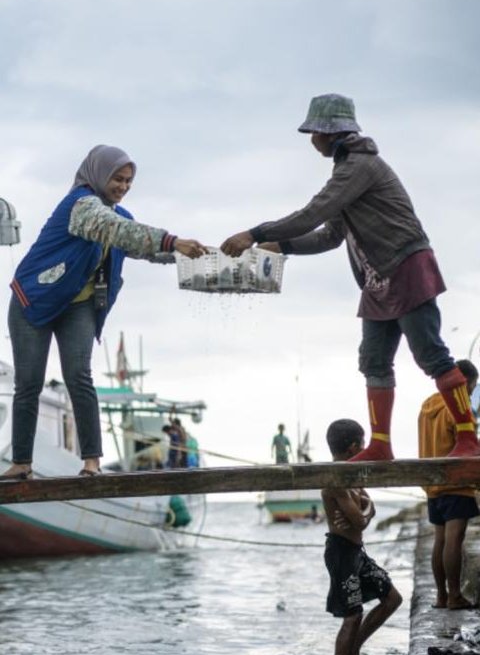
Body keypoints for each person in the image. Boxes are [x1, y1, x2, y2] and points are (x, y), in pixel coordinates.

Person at [221, 93, 480, 461]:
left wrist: (256, 233)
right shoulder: (348, 172)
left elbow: (315, 211)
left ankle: (469, 440)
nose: (312, 140)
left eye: (315, 132)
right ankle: (380, 444)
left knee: (431, 355)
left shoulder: (359, 166)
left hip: (405, 268)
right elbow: (330, 234)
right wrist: (280, 247)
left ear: (332, 133)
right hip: (378, 283)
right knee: (373, 361)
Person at [2, 145, 207, 480]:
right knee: (29, 384)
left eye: (128, 181)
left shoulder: (117, 215)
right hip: (34, 301)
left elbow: (143, 246)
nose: (123, 186)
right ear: (98, 174)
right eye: (117, 179)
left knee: (79, 377)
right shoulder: (80, 206)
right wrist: (173, 241)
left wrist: (195, 254)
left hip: (77, 305)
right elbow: (117, 231)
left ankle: (91, 463)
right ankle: (22, 462)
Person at [322, 418, 402, 655]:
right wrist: (364, 511)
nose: (366, 448)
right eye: (363, 444)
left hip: (357, 552)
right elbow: (360, 519)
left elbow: (366, 510)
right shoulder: (336, 479)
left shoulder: (351, 476)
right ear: (354, 446)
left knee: (392, 598)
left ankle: (354, 649)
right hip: (342, 553)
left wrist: (365, 510)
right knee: (352, 615)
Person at [418, 359, 480, 610]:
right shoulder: (458, 409)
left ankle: (441, 595)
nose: (470, 394)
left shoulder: (428, 404)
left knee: (440, 540)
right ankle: (455, 595)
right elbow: (468, 447)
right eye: (471, 387)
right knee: (455, 539)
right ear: (463, 381)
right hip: (456, 482)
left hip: (432, 483)